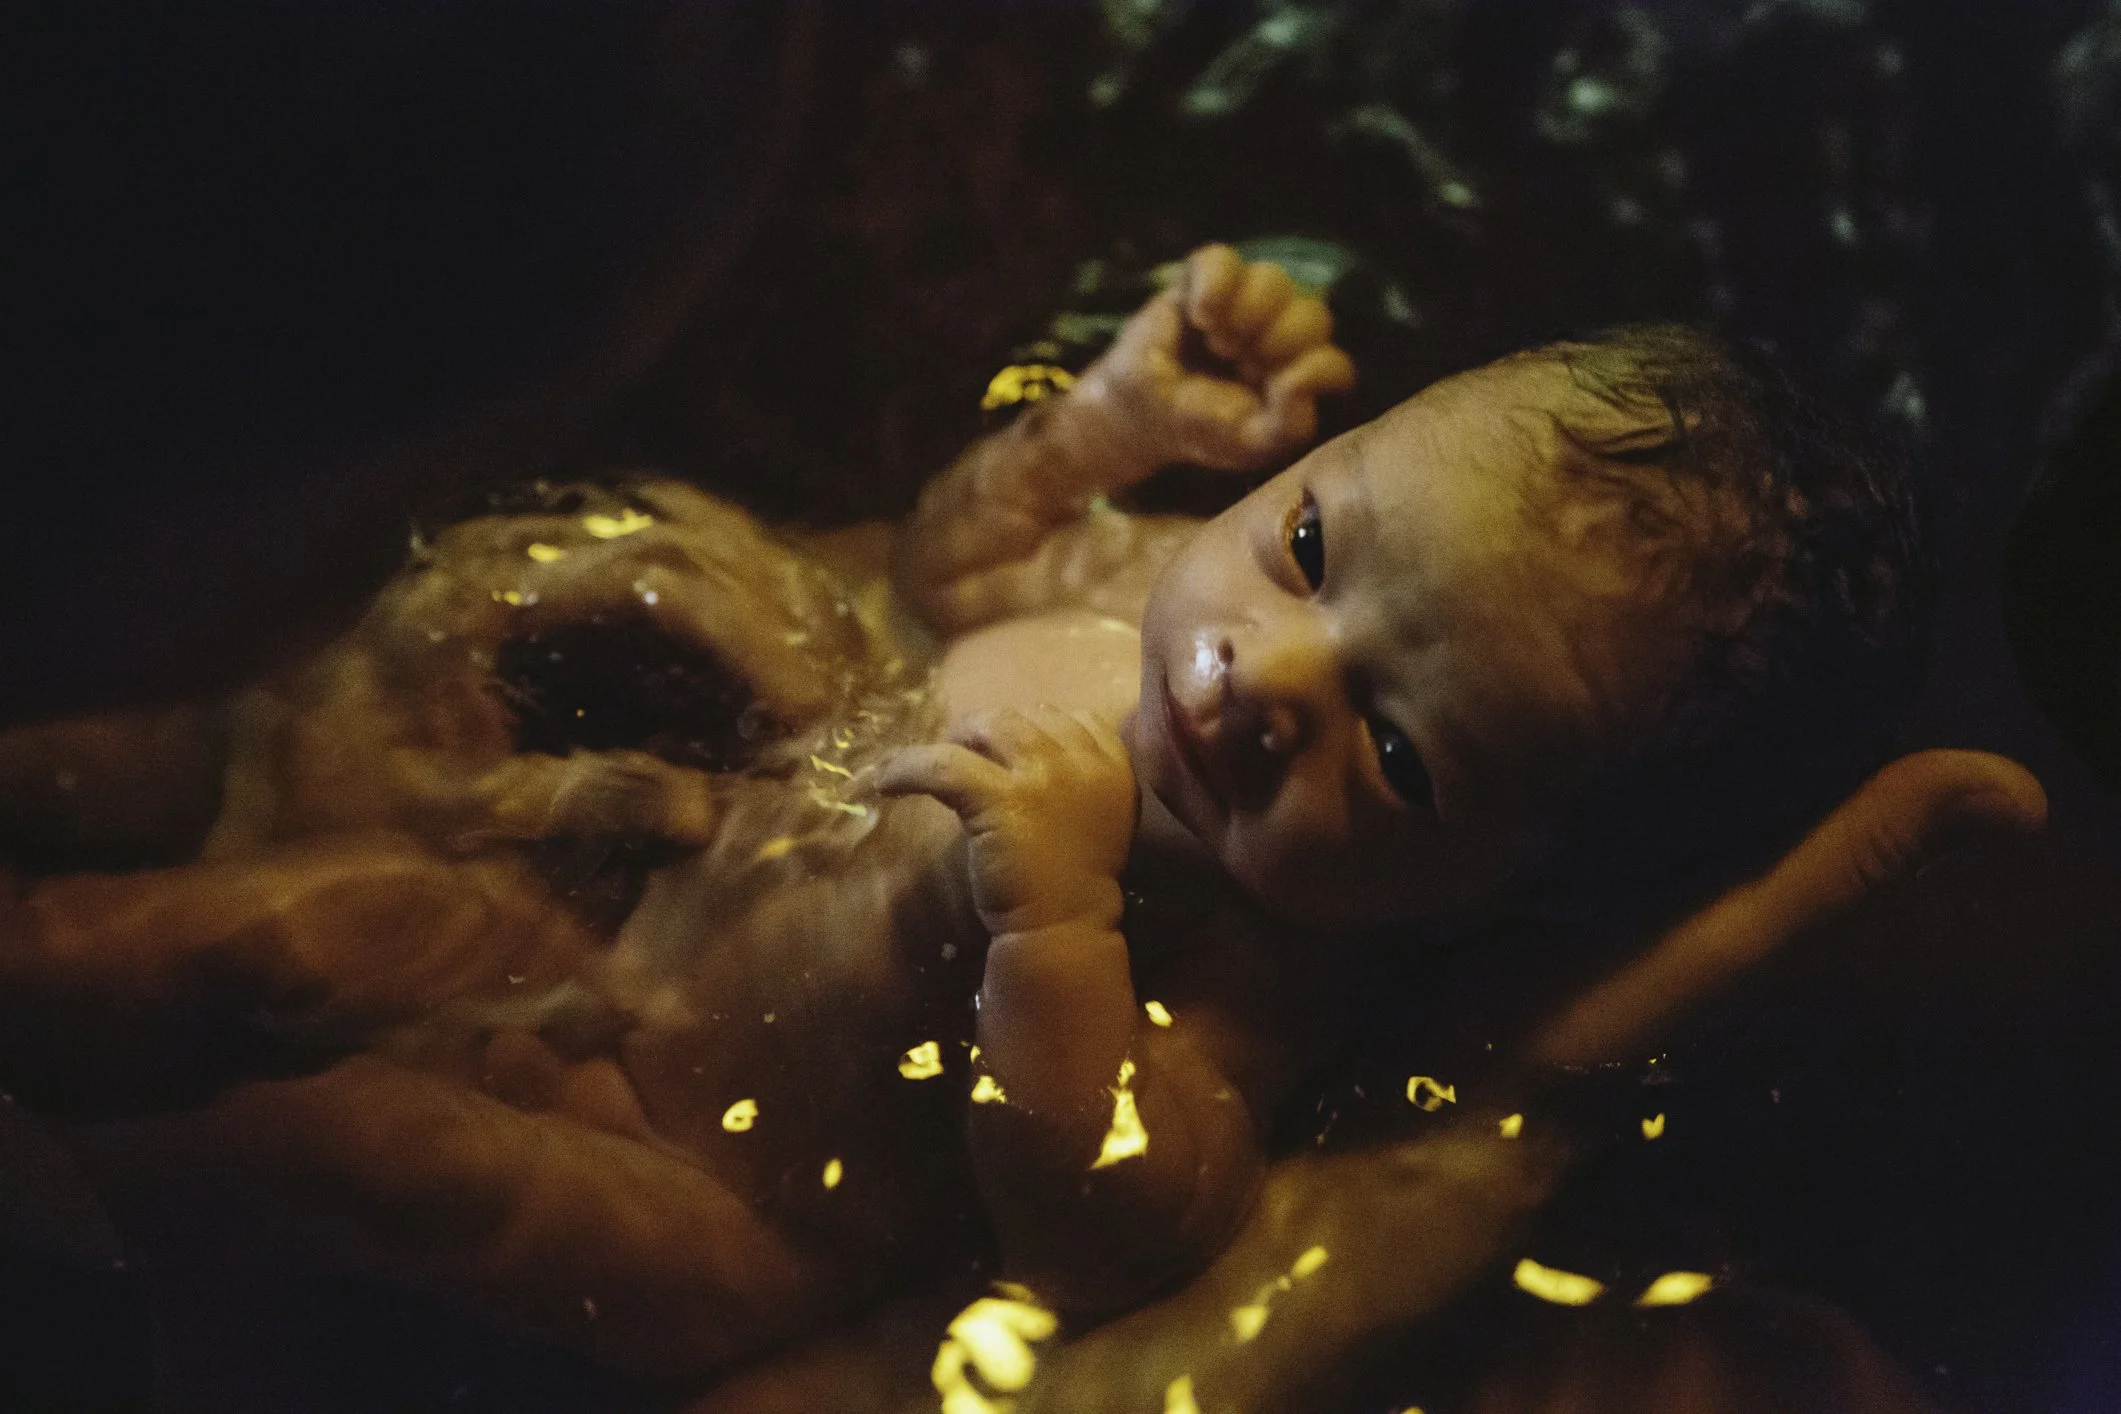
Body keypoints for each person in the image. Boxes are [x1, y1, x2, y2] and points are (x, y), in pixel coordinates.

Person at [14, 248, 2045, 1396]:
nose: (1262, 682)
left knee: (359, 1138)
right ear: (1308, 461)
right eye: (1312, 541)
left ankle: (116, 1140)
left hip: (721, 1207)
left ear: (1496, 887)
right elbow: (945, 571)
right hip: (617, 909)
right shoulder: (1157, 582)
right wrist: (1103, 426)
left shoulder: (1254, 958)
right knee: (326, 905)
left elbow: (1125, 1212)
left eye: (1400, 757)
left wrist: (1058, 936)